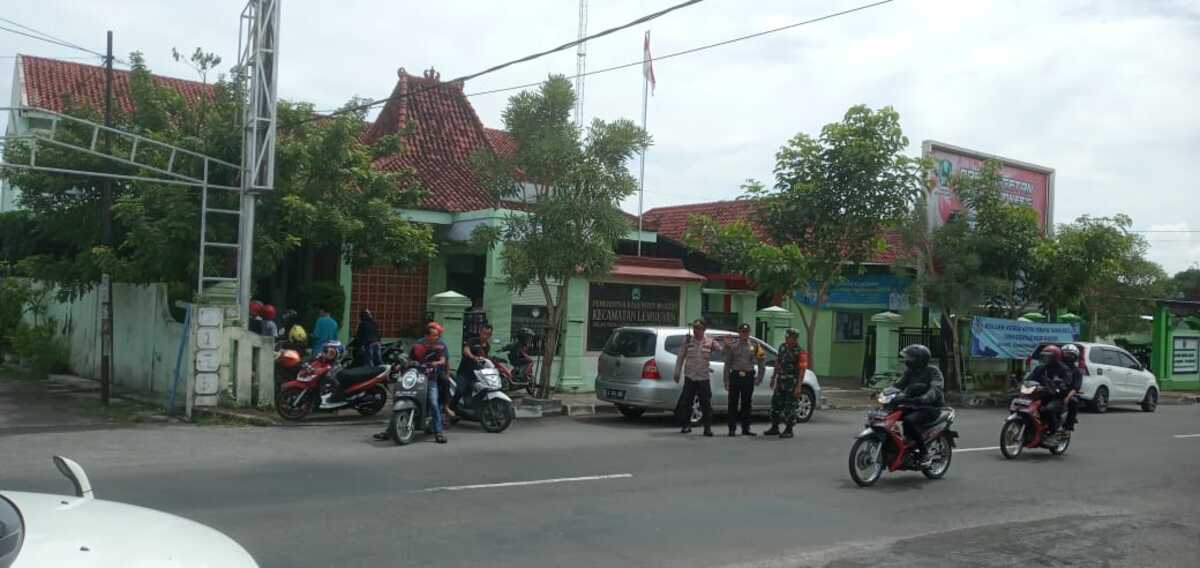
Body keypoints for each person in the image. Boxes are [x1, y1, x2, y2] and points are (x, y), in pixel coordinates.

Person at [892, 344, 946, 467]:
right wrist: (884, 392)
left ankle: (924, 452)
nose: (907, 361)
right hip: (912, 404)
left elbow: (935, 389)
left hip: (930, 407)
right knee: (888, 415)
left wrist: (924, 398)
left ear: (920, 359)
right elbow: (897, 385)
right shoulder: (909, 372)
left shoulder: (933, 371)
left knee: (908, 421)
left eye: (910, 358)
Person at [673, 319, 722, 437]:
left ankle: (707, 428)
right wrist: (677, 371)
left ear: (704, 329)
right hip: (690, 376)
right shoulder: (688, 341)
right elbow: (680, 357)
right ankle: (686, 425)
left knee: (705, 403)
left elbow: (721, 351)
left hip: (703, 377)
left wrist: (726, 346)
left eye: (699, 328)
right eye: (695, 328)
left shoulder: (710, 341)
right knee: (687, 402)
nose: (696, 330)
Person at [723, 323, 765, 437]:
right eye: (742, 332)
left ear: (749, 333)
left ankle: (746, 428)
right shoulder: (733, 346)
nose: (744, 334)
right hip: (735, 376)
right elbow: (727, 364)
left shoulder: (755, 346)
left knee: (747, 403)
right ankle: (732, 429)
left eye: (746, 332)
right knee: (733, 403)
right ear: (739, 333)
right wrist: (726, 381)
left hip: (748, 376)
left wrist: (759, 377)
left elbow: (762, 362)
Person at [765, 329, 808, 439]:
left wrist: (799, 386)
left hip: (791, 383)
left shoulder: (800, 352)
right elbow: (778, 362)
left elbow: (802, 370)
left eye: (790, 337)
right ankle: (775, 427)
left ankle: (789, 429)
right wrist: (773, 377)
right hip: (781, 381)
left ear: (795, 338)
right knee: (775, 404)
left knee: (789, 406)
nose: (787, 339)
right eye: (787, 337)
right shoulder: (782, 347)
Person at [1029, 345, 1069, 434]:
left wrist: (1059, 388)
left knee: (1048, 410)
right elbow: (1030, 379)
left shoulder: (1063, 369)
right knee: (1021, 404)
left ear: (1055, 357)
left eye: (1048, 356)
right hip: (1040, 394)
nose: (1045, 358)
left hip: (1055, 397)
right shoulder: (1040, 368)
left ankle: (1053, 433)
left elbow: (1066, 384)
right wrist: (1022, 384)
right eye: (1044, 356)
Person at [455, 324, 494, 408]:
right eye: (484, 333)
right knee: (460, 390)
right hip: (463, 373)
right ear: (480, 332)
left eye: (488, 334)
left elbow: (484, 360)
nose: (485, 336)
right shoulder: (472, 340)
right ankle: (450, 409)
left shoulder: (487, 346)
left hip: (475, 376)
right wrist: (473, 357)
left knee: (483, 390)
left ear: (490, 335)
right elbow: (466, 350)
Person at [1060, 344, 1083, 433]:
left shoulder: (1076, 371)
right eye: (1066, 353)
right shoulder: (1055, 366)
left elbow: (1076, 387)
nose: (1068, 356)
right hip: (1052, 391)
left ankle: (1069, 426)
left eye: (1070, 354)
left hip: (1066, 393)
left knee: (1074, 401)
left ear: (1075, 356)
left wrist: (1067, 397)